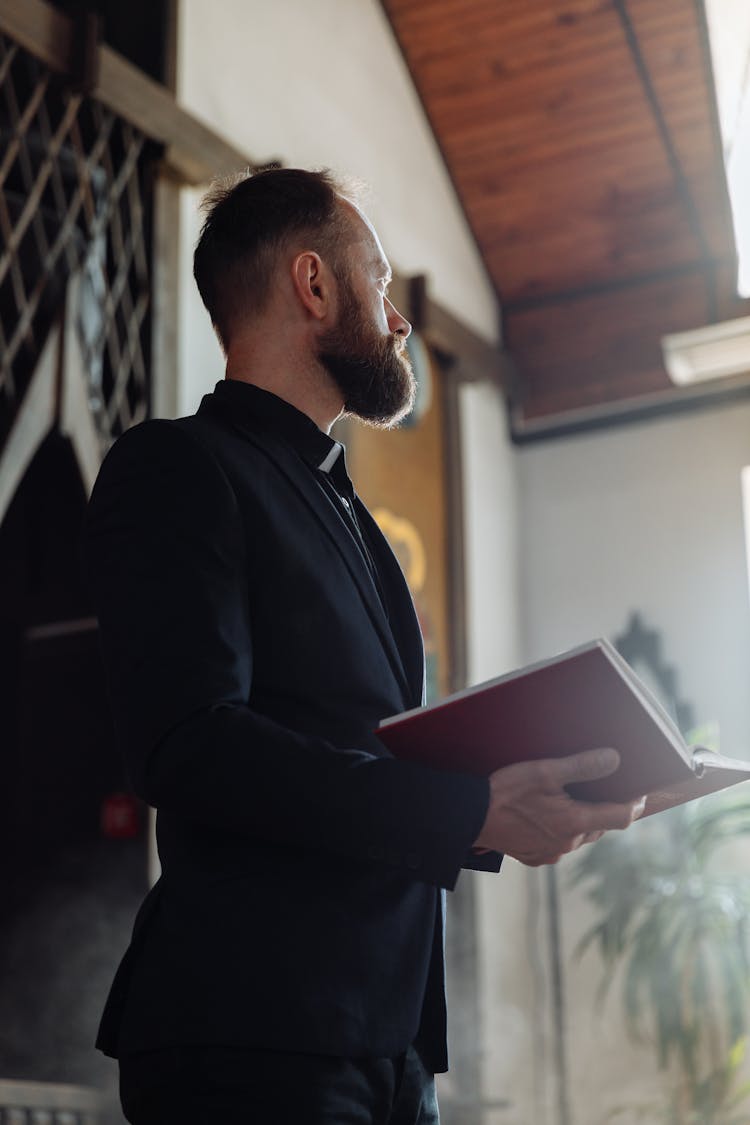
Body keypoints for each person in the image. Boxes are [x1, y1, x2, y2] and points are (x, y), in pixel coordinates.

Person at [87, 167, 642, 1125]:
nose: (396, 318)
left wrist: (517, 791)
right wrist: (467, 809)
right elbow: (191, 744)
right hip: (251, 1032)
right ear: (313, 284)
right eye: (377, 282)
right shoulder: (178, 466)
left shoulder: (348, 508)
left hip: (390, 1043)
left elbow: (358, 747)